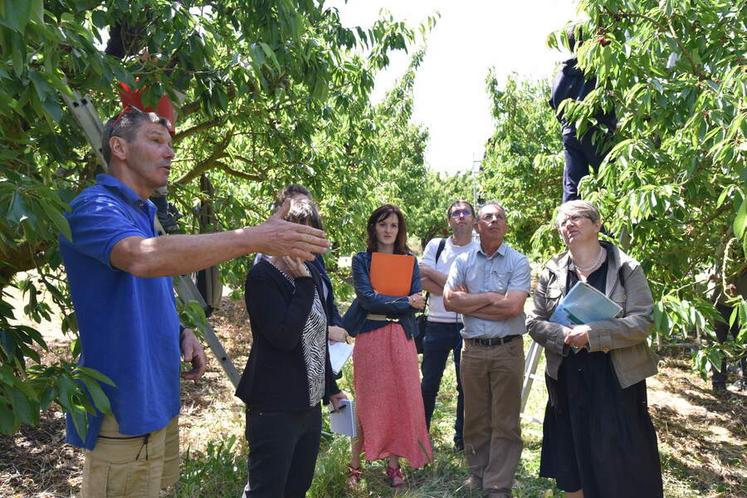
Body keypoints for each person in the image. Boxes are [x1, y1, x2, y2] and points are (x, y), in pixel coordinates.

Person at [59, 106, 329, 497]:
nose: (170, 153)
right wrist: (254, 237)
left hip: (159, 399)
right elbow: (140, 257)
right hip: (122, 406)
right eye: (156, 141)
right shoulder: (94, 207)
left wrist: (181, 332)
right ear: (118, 147)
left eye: (171, 144)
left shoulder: (143, 214)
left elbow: (147, 286)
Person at [527, 200, 663, 498]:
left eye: (577, 217)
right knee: (572, 462)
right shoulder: (552, 270)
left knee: (620, 465)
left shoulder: (627, 268)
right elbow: (534, 322)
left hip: (615, 382)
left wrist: (594, 333)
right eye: (563, 221)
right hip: (567, 381)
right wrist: (561, 333)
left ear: (597, 224)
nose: (569, 224)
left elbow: (643, 321)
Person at [237, 200, 347, 497]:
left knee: (298, 487)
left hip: (307, 405)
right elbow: (284, 336)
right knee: (267, 490)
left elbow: (316, 336)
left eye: (315, 234)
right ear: (285, 236)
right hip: (274, 407)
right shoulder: (263, 277)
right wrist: (304, 285)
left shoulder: (309, 273)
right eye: (305, 235)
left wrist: (331, 387)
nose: (313, 243)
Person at [443, 201, 531, 498]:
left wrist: (474, 301)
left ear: (505, 225)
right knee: (475, 417)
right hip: (473, 351)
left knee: (505, 419)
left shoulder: (518, 261)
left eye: (500, 217)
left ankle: (497, 484)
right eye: (487, 217)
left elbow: (513, 307)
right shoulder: (463, 261)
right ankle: (478, 473)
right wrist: (493, 298)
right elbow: (449, 301)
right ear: (477, 226)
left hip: (508, 350)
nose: (494, 221)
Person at [343, 204, 433, 488]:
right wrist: (405, 302)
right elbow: (368, 300)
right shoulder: (362, 260)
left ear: (399, 230)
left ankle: (394, 467)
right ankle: (355, 465)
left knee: (400, 400)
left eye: (393, 225)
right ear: (374, 228)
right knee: (369, 400)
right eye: (383, 224)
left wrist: (406, 302)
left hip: (402, 338)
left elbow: (419, 301)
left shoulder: (409, 260)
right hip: (371, 337)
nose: (388, 230)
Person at [419, 200, 479, 451]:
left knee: (466, 384)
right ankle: (420, 437)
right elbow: (421, 276)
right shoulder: (437, 245)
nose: (461, 216)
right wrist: (456, 289)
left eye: (466, 212)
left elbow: (476, 288)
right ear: (449, 221)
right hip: (436, 324)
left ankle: (461, 440)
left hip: (468, 326)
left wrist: (440, 281)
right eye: (456, 213)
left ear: (474, 219)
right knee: (429, 382)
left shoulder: (480, 248)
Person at [255, 184, 348, 343]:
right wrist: (326, 332)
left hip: (323, 355)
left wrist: (337, 328)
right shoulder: (266, 267)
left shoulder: (314, 257)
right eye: (297, 218)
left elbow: (327, 300)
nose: (305, 229)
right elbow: (281, 330)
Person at [549, 26, 616, 202]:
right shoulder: (600, 67)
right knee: (610, 180)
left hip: (570, 133)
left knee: (573, 185)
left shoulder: (561, 73)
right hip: (596, 131)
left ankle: (570, 221)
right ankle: (617, 224)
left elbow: (554, 103)